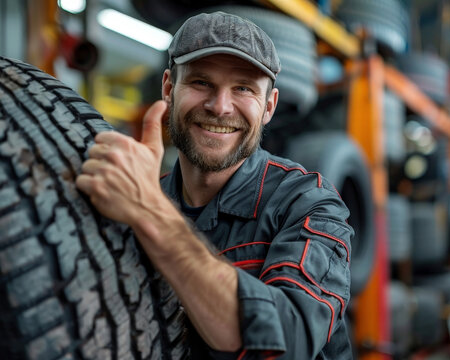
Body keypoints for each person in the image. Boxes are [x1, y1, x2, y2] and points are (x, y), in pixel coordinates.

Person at [76, 11, 353, 359]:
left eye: (243, 88)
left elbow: (287, 341)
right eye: (201, 83)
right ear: (168, 89)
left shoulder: (308, 202)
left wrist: (153, 215)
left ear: (269, 106)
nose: (220, 107)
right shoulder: (136, 198)